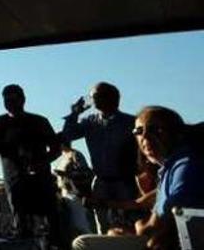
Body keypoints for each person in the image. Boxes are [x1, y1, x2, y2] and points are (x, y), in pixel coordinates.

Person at [72, 106, 203, 250]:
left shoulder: (184, 165)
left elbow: (157, 227)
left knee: (83, 243)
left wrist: (137, 226)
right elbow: (142, 205)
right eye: (139, 131)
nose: (145, 137)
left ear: (177, 133)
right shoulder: (170, 168)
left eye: (155, 129)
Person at [58, 82, 140, 234]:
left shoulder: (131, 122)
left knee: (130, 224)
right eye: (92, 97)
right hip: (101, 181)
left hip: (126, 182)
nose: (92, 100)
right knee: (102, 226)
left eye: (95, 96)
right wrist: (74, 113)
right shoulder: (90, 122)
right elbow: (68, 135)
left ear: (111, 98)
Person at [0, 84, 62, 244]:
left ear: (23, 100)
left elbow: (56, 148)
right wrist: (9, 142)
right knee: (21, 225)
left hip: (41, 180)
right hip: (15, 180)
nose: (10, 103)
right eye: (6, 100)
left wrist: (41, 162)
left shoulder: (39, 121)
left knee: (51, 225)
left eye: (14, 99)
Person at [56, 141, 97, 238]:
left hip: (76, 194)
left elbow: (85, 172)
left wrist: (67, 174)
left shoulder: (75, 155)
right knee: (73, 226)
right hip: (65, 194)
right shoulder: (62, 158)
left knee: (82, 225)